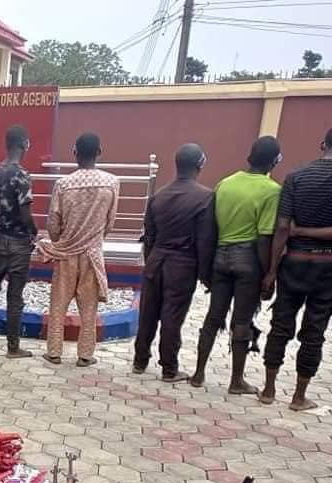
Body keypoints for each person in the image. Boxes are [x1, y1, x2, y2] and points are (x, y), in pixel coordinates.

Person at [190, 136, 282, 394]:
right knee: (241, 321)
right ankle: (236, 381)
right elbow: (264, 237)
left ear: (249, 157)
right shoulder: (272, 190)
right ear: (275, 161)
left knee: (213, 317)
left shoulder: (225, 184)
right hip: (248, 261)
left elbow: (210, 228)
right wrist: (268, 273)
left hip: (220, 258)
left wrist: (207, 266)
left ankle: (198, 374)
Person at [259, 129, 332, 411]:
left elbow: (282, 228)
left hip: (294, 262)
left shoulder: (295, 177)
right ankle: (299, 397)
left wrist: (271, 271)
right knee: (314, 331)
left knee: (280, 325)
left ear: (322, 144)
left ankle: (268, 389)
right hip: (327, 267)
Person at [132, 143, 217, 382]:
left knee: (148, 312)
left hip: (156, 260)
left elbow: (149, 235)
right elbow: (205, 241)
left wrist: (150, 262)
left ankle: (140, 360)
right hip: (182, 264)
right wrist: (206, 275)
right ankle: (169, 368)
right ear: (200, 165)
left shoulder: (158, 196)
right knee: (172, 316)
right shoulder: (205, 197)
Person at [38, 132, 119, 366]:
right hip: (92, 254)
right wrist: (94, 239)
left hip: (66, 254)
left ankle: (54, 352)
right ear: (99, 152)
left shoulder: (63, 184)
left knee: (58, 305)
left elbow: (53, 222)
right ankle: (85, 355)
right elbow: (110, 222)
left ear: (74, 153)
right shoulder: (111, 183)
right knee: (89, 308)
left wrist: (61, 242)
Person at [0, 125, 37, 358]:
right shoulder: (22, 175)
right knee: (15, 296)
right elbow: (25, 212)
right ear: (24, 144)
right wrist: (34, 231)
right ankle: (13, 348)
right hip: (19, 241)